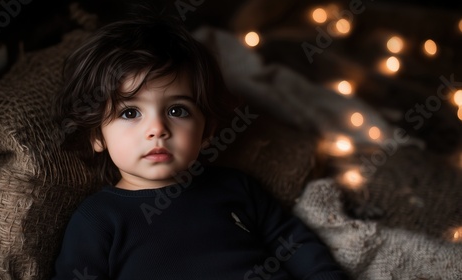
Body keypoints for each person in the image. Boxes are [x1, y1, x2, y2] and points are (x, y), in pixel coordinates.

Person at [51, 7, 348, 280]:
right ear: (97, 136)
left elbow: (294, 243)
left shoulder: (235, 188)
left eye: (177, 110)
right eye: (130, 112)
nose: (157, 129)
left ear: (207, 130)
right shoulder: (98, 220)